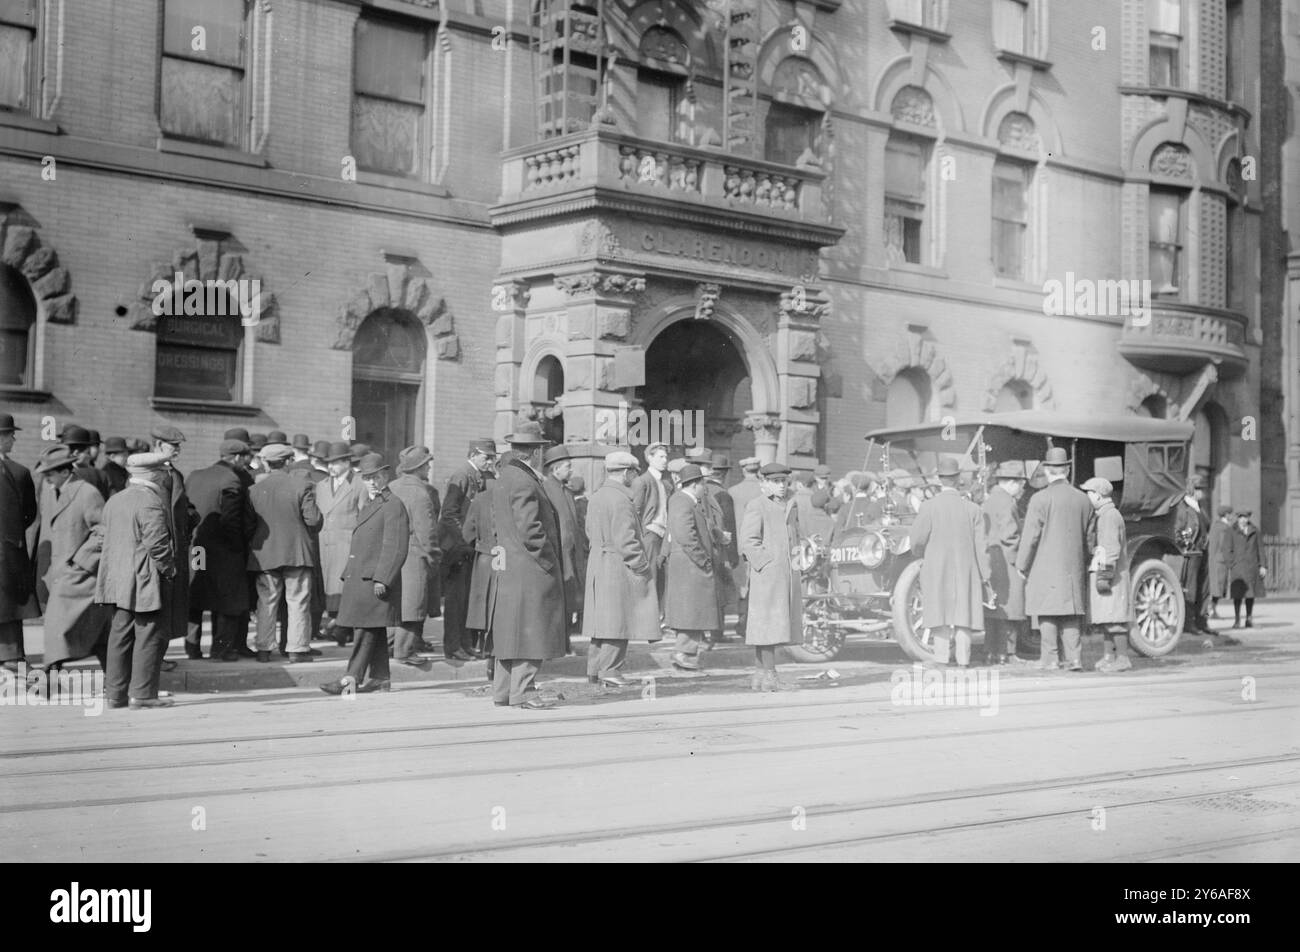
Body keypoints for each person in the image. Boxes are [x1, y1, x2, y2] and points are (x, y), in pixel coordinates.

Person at [488, 422, 567, 709]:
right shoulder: (525, 481)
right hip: (531, 568)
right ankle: (524, 691)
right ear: (534, 452)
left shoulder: (504, 477)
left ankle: (504, 691)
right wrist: (548, 561)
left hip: (511, 566)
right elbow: (530, 529)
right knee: (532, 630)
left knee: (512, 630)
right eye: (541, 449)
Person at [321, 454, 409, 695]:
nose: (371, 482)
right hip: (361, 578)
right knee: (374, 629)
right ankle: (381, 678)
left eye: (375, 477)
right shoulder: (373, 503)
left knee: (364, 630)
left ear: (385, 477)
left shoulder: (393, 505)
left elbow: (396, 546)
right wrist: (348, 572)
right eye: (367, 478)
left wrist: (383, 577)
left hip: (374, 580)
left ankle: (351, 678)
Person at [95, 452, 177, 709]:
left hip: (117, 579)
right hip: (144, 580)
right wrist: (170, 570)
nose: (166, 476)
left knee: (119, 635)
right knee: (149, 634)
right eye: (163, 472)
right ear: (154, 474)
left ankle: (114, 695)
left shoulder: (115, 500)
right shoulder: (151, 501)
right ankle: (142, 695)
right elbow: (157, 545)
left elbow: (104, 539)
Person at [582, 451, 659, 687]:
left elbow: (588, 531)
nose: (634, 478)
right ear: (627, 472)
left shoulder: (597, 496)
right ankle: (610, 671)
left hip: (599, 562)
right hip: (617, 565)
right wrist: (642, 567)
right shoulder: (621, 499)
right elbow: (627, 540)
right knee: (618, 621)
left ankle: (595, 670)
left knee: (601, 623)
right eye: (634, 473)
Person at [33, 446, 110, 671]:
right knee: (72, 630)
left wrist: (81, 562)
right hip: (60, 575)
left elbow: (104, 532)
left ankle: (50, 677)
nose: (47, 481)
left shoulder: (87, 493)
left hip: (81, 578)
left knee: (67, 628)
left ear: (65, 473)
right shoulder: (51, 491)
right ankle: (114, 681)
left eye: (50, 476)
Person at [1015, 447, 1092, 671]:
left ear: (1047, 470)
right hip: (1073, 566)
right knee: (1071, 612)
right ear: (1067, 469)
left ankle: (1050, 659)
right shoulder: (1083, 499)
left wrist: (1022, 565)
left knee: (1047, 611)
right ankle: (1075, 659)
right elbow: (1089, 537)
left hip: (1044, 566)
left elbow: (1030, 536)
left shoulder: (1039, 499)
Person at [908, 456, 990, 668]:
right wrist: (985, 575)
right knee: (965, 612)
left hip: (936, 567)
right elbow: (982, 548)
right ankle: (964, 660)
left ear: (939, 479)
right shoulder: (973, 510)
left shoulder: (928, 507)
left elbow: (916, 540)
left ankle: (942, 658)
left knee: (939, 610)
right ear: (958, 479)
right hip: (967, 568)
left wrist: (923, 555)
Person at [248, 443, 322, 663]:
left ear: (265, 463)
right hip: (296, 553)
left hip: (265, 555)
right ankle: (296, 649)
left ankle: (263, 649)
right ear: (288, 462)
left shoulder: (254, 490)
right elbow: (314, 520)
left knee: (266, 601)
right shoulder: (302, 485)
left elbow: (248, 524)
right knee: (298, 601)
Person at [186, 440, 256, 662]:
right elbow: (232, 520)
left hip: (197, 548)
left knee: (195, 594)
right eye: (246, 457)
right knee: (228, 597)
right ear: (236, 457)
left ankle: (192, 648)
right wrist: (238, 548)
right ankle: (221, 649)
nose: (248, 462)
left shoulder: (195, 475)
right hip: (224, 551)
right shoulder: (232, 479)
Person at [740, 462, 802, 690]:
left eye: (784, 481)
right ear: (764, 483)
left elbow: (796, 536)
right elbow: (748, 540)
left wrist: (797, 561)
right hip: (767, 575)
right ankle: (770, 675)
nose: (781, 486)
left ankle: (760, 676)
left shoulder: (790, 505)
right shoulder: (757, 505)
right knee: (766, 626)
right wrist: (766, 563)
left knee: (771, 625)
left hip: (786, 574)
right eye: (775, 482)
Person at [438, 438, 497, 661]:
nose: (489, 461)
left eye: (492, 458)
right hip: (457, 549)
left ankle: (465, 644)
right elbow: (449, 513)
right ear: (473, 454)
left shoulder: (480, 475)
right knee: (455, 601)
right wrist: (462, 541)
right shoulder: (462, 474)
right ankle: (453, 647)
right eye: (486, 457)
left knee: (465, 600)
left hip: (468, 548)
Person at [387, 446, 440, 666]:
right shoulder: (421, 492)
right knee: (413, 603)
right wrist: (434, 556)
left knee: (396, 603)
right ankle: (404, 651)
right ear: (417, 468)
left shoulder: (391, 487)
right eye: (426, 464)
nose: (429, 467)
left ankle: (391, 646)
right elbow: (426, 531)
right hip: (414, 554)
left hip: (390, 553)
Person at [665, 464, 719, 671]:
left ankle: (686, 654)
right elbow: (685, 534)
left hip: (689, 564)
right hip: (690, 565)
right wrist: (702, 559)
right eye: (703, 484)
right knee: (691, 611)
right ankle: (683, 654)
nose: (705, 488)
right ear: (695, 484)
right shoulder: (682, 501)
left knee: (692, 611)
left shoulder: (686, 501)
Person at [151, 426, 194, 667]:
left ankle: (159, 655)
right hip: (159, 549)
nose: (177, 450)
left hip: (175, 549)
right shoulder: (151, 474)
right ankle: (152, 658)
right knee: (156, 606)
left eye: (178, 446)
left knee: (168, 605)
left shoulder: (173, 473)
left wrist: (190, 514)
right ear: (157, 445)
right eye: (172, 446)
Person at [1083, 477, 1133, 673]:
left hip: (1112, 575)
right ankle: (1109, 657)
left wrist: (1104, 575)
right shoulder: (1106, 514)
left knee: (1115, 620)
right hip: (1109, 573)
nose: (1087, 496)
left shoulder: (1109, 516)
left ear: (1098, 495)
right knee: (1107, 618)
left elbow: (1111, 549)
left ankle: (1122, 658)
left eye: (1089, 493)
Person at [2, 414, 41, 670]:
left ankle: (11, 656)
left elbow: (29, 512)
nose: (14, 438)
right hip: (8, 549)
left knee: (10, 606)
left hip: (9, 551)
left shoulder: (20, 472)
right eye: (9, 434)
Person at [981, 461, 1029, 665]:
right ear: (1011, 482)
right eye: (1020, 484)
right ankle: (1008, 653)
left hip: (991, 556)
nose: (1022, 489)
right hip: (1006, 557)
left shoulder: (990, 499)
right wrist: (1019, 564)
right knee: (1011, 607)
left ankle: (991, 652)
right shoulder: (1007, 501)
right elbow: (1010, 535)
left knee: (994, 608)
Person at [315, 441, 363, 646]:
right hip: (324, 544)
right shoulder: (322, 485)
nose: (330, 467)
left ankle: (343, 629)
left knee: (344, 588)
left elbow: (364, 516)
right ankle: (336, 626)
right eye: (328, 463)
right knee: (328, 589)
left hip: (347, 544)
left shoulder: (359, 484)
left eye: (334, 463)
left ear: (346, 462)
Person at [542, 444, 586, 640]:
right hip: (557, 555)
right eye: (568, 466)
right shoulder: (546, 489)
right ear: (555, 468)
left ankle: (565, 641)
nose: (571, 470)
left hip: (571, 556)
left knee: (570, 599)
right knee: (558, 601)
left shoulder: (566, 490)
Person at [631, 442, 672, 602]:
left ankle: (660, 618)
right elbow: (635, 511)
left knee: (663, 577)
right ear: (650, 458)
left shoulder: (666, 483)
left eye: (666, 457)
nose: (665, 460)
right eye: (661, 457)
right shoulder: (642, 481)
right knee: (651, 577)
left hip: (664, 536)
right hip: (650, 535)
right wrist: (643, 534)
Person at [727, 456, 762, 638]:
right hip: (760, 546)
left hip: (740, 546)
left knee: (742, 586)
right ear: (758, 469)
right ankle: (754, 623)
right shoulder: (763, 491)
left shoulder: (733, 491)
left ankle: (742, 622)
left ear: (743, 470)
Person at [1174, 474, 1213, 635]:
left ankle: (1202, 622)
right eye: (1200, 489)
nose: (1203, 492)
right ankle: (1189, 624)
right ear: (1192, 489)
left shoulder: (1200, 507)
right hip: (1190, 553)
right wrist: (1185, 544)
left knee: (1204, 588)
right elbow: (1177, 532)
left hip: (1202, 552)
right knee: (1190, 589)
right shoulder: (1183, 508)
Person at [1228, 510, 1264, 629]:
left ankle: (1249, 619)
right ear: (1237, 518)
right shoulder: (1232, 531)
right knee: (1237, 595)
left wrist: (1263, 565)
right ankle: (1237, 620)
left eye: (1246, 517)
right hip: (1238, 568)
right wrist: (1231, 563)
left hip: (1251, 567)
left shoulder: (1255, 531)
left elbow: (1260, 549)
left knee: (1250, 594)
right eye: (1241, 517)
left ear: (1249, 518)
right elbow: (1226, 549)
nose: (1243, 520)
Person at [1206, 505, 1234, 621]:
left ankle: (1212, 610)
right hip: (1219, 562)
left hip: (1219, 561)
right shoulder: (1221, 528)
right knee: (1216, 588)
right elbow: (1221, 545)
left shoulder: (1222, 526)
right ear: (1226, 515)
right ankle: (1211, 611)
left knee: (1218, 588)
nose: (1231, 516)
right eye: (1230, 513)